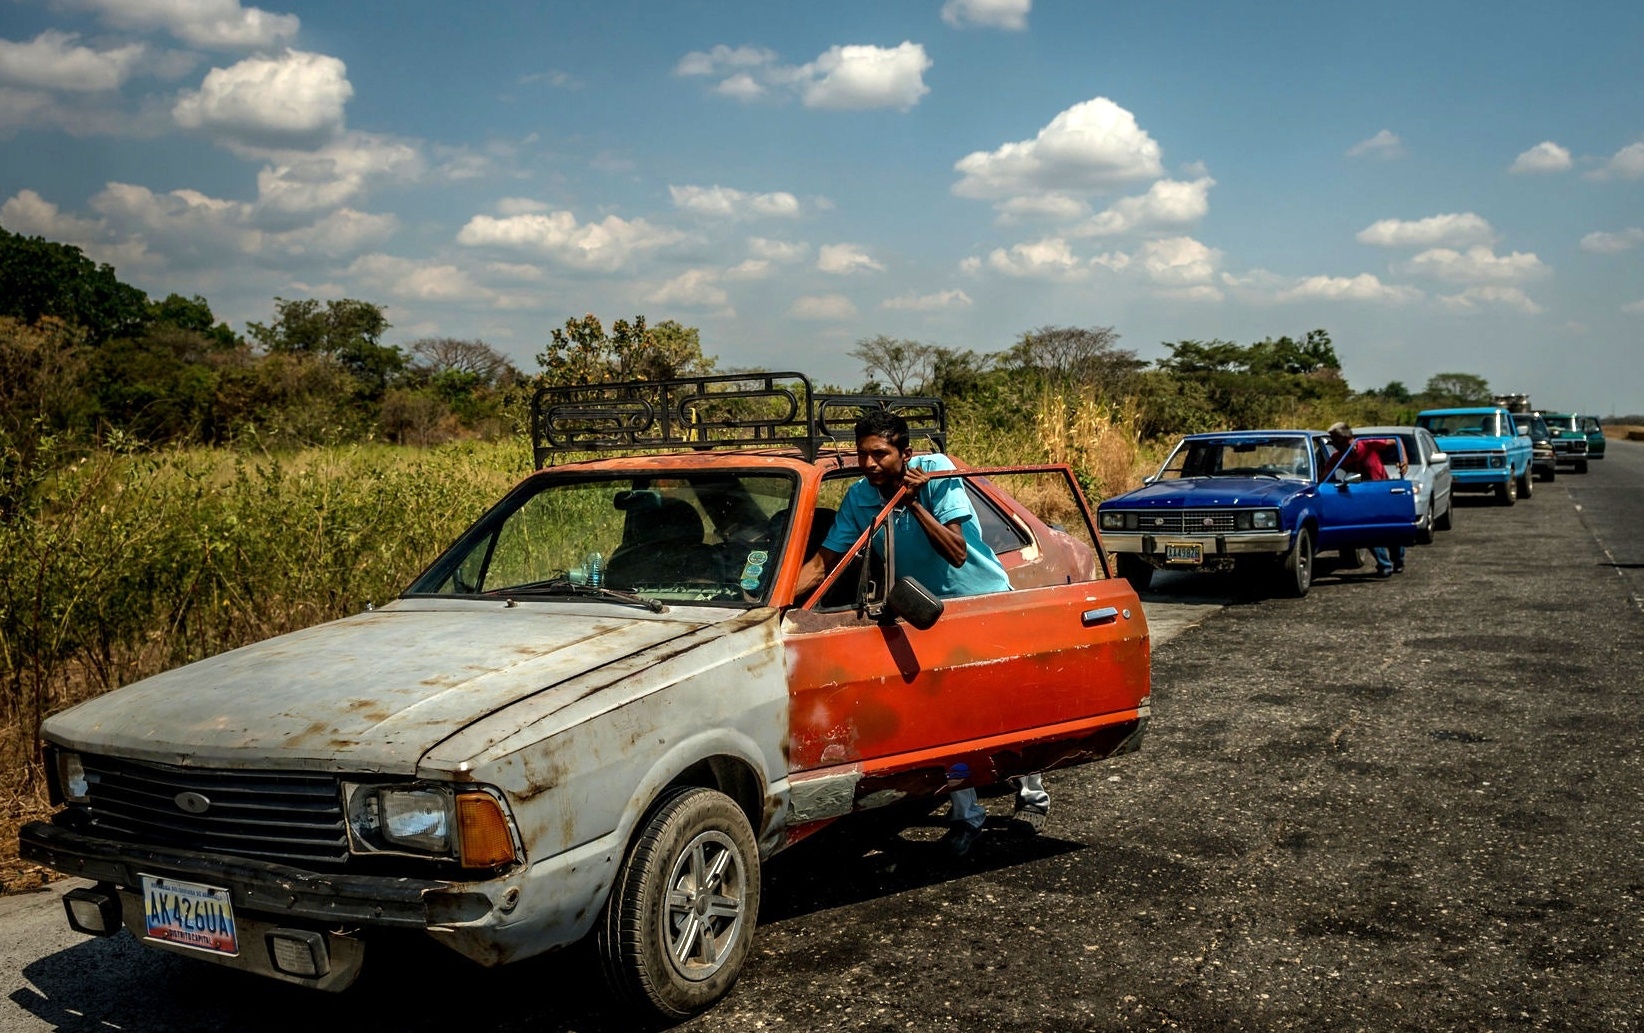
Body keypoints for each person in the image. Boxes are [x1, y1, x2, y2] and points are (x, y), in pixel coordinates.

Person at [796, 409, 1048, 856]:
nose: (870, 464)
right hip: (923, 613)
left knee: (1002, 708)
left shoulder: (936, 474)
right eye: (863, 455)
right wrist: (772, 600)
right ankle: (967, 813)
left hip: (982, 603)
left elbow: (955, 551)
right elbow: (823, 563)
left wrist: (910, 500)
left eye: (880, 454)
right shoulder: (859, 497)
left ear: (905, 453)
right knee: (944, 720)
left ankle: (1032, 793)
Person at [1326, 421, 1409, 577]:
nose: (1334, 445)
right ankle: (1384, 564)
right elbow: (1325, 475)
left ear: (1346, 438)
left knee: (1393, 529)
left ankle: (1398, 560)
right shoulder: (1338, 457)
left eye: (1335, 440)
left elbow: (1396, 441)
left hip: (1383, 491)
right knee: (1369, 531)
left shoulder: (1368, 445)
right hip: (1362, 497)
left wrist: (1403, 460)